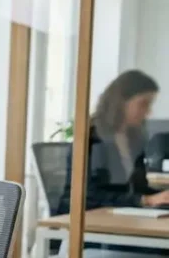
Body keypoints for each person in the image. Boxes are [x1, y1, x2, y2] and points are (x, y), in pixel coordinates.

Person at [59, 69, 169, 213]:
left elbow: (138, 188)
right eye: (143, 104)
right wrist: (145, 200)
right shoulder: (93, 138)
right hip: (83, 219)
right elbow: (90, 195)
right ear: (121, 102)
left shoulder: (134, 139)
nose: (148, 111)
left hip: (118, 215)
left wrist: (160, 196)